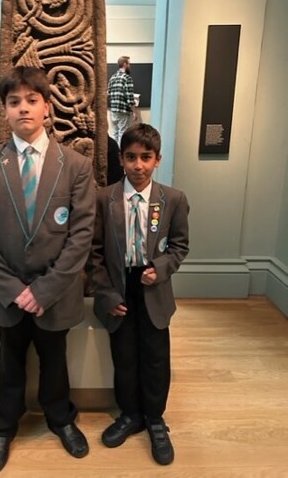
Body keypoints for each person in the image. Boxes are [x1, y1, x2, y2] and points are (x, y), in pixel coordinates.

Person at [0, 66, 96, 474]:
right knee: (9, 360)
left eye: (31, 100)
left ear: (46, 107)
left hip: (53, 292)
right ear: (4, 111)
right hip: (5, 291)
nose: (23, 108)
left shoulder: (75, 165)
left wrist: (44, 290)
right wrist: (14, 289)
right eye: (13, 102)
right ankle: (4, 426)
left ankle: (60, 418)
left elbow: (81, 235)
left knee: (54, 358)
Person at [89, 123, 189, 466]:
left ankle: (155, 419)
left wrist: (160, 268)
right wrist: (105, 293)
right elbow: (94, 252)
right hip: (118, 287)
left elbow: (179, 246)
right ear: (121, 159)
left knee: (155, 356)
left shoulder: (172, 200)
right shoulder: (104, 199)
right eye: (131, 157)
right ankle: (131, 414)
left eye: (146, 157)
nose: (138, 165)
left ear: (158, 159)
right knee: (125, 355)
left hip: (153, 287)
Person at [108, 56, 138, 145]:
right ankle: (120, 152)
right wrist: (134, 111)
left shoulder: (112, 77)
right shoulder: (127, 78)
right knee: (122, 133)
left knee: (115, 133)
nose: (130, 66)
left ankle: (114, 152)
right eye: (129, 64)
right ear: (125, 64)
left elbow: (108, 93)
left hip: (113, 110)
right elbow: (129, 97)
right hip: (123, 110)